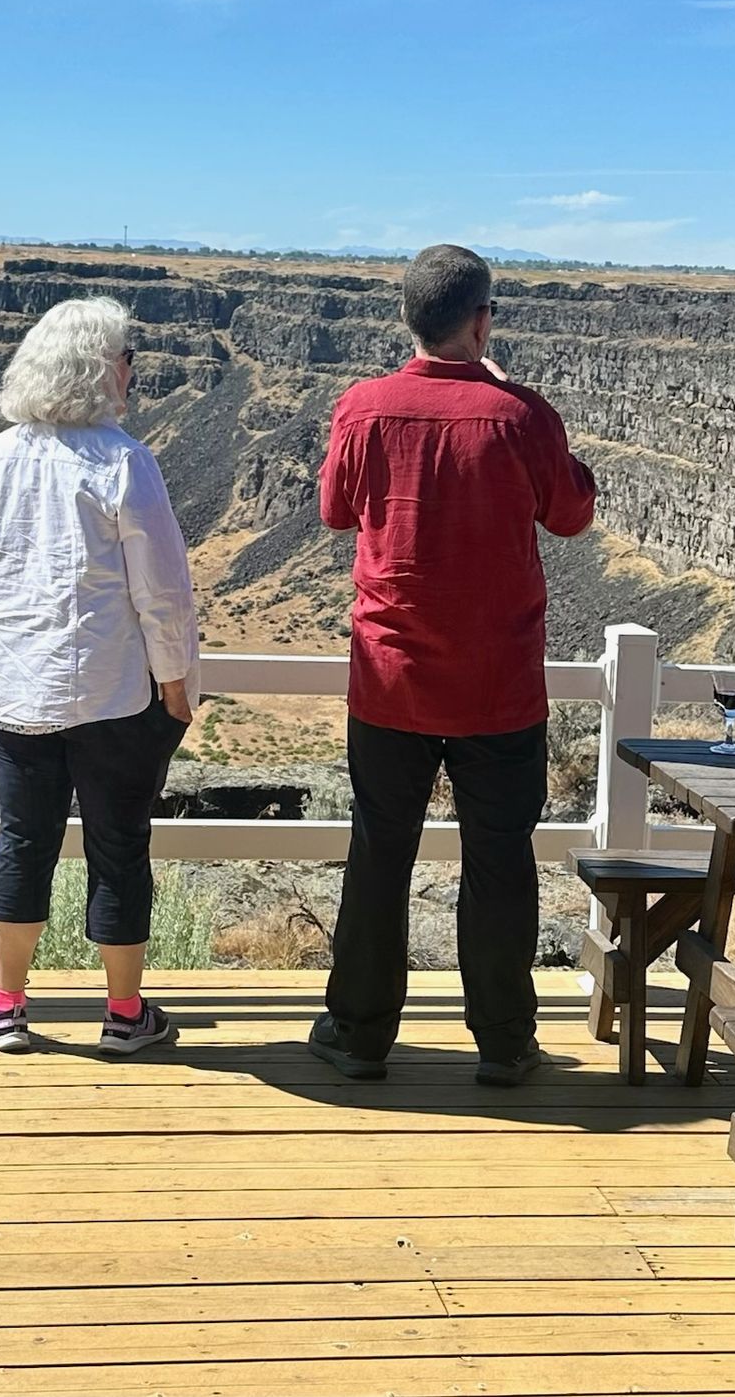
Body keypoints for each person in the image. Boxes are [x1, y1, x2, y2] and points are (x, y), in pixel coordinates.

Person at [310, 244, 598, 1087]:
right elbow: (573, 512)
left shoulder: (364, 407)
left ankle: (360, 1031)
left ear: (411, 318)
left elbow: (335, 509)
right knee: (500, 858)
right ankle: (505, 1040)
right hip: (500, 687)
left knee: (378, 851)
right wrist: (509, 395)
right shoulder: (521, 415)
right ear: (481, 321)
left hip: (391, 679)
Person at [0, 295, 199, 1057]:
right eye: (128, 357)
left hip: (14, 685)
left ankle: (6, 1007)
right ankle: (125, 1016)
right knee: (120, 844)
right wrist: (176, 681)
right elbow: (162, 590)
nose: (133, 371)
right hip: (112, 691)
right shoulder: (125, 460)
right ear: (102, 368)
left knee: (22, 838)